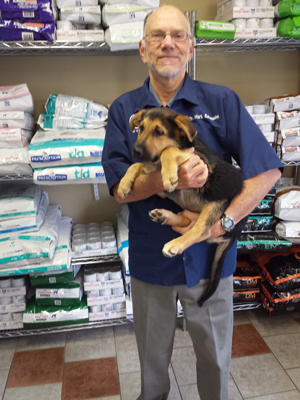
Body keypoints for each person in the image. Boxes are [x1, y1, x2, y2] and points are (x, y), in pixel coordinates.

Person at [102, 5, 283, 400]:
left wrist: (225, 223)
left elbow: (267, 171)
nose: (168, 42)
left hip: (210, 263)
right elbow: (120, 188)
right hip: (152, 262)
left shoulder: (221, 102)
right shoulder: (124, 111)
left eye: (178, 35)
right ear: (143, 49)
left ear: (190, 47)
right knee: (151, 370)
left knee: (216, 362)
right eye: (157, 36)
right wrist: (167, 175)